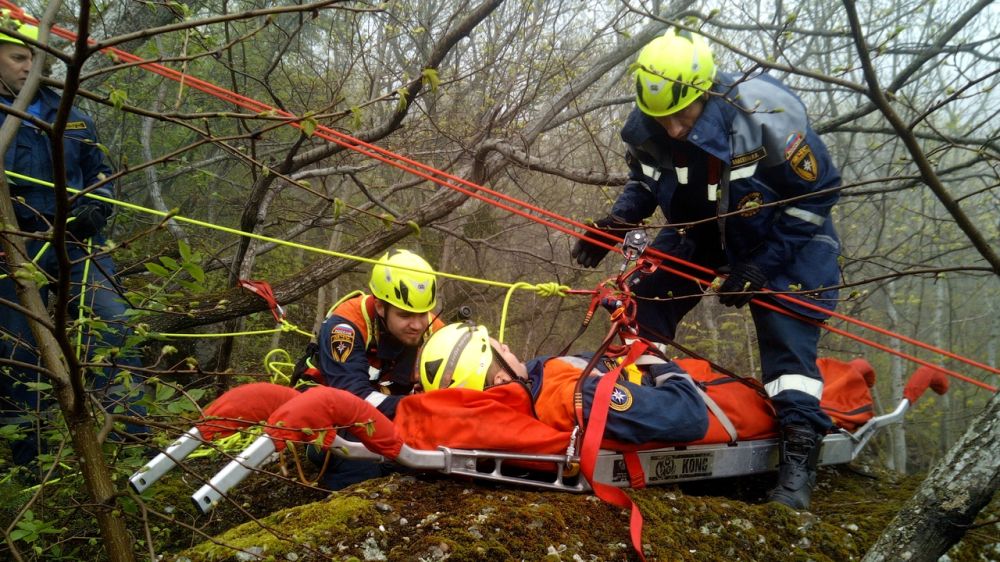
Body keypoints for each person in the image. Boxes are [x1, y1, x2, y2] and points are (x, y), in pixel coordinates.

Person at [570, 29, 842, 510]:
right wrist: (617, 221)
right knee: (644, 302)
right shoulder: (646, 127)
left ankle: (798, 462)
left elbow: (817, 195)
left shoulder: (766, 118)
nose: (674, 128)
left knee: (786, 333)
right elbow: (646, 180)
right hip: (701, 229)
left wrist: (761, 264)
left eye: (684, 115)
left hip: (782, 234)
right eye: (663, 118)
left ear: (706, 93)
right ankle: (632, 409)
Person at [0, 12, 145, 472]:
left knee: (115, 327)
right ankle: (34, 469)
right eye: (19, 57)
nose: (30, 67)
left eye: (35, 58)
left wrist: (96, 206)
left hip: (81, 245)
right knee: (18, 354)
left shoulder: (74, 116)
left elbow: (102, 176)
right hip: (13, 250)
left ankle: (131, 447)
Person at [415, 323, 709, 445]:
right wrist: (654, 358)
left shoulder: (526, 384)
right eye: (502, 351)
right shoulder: (579, 398)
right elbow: (691, 415)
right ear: (502, 379)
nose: (507, 345)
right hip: (698, 395)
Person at [300, 248, 443, 488]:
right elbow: (352, 399)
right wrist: (419, 407)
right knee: (358, 458)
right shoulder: (344, 327)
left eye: (423, 314)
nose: (418, 325)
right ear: (379, 307)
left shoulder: (430, 327)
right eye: (406, 315)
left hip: (386, 400)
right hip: (331, 410)